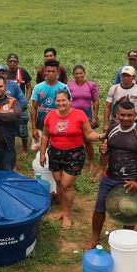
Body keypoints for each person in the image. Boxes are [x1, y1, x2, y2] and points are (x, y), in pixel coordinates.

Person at [84, 102, 137, 250]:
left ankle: (127, 240)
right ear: (117, 116)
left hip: (130, 180)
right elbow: (106, 151)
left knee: (129, 212)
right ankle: (95, 238)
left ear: (135, 116)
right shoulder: (112, 129)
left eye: (129, 115)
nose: (126, 118)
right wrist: (103, 151)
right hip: (110, 177)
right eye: (122, 115)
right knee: (99, 208)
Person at [39, 90, 104, 229]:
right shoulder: (50, 116)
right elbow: (45, 136)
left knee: (66, 184)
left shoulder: (79, 115)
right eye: (58, 100)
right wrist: (43, 152)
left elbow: (89, 134)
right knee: (58, 182)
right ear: (55, 102)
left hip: (74, 154)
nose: (61, 103)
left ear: (70, 101)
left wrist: (101, 137)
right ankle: (63, 209)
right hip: (55, 152)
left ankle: (67, 214)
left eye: (64, 100)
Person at [68, 65, 100, 172]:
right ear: (73, 75)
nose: (79, 75)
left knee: (88, 139)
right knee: (73, 138)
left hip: (87, 115)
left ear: (84, 73)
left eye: (80, 73)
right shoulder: (69, 85)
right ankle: (74, 160)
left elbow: (96, 101)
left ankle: (91, 162)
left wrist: (95, 117)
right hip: (72, 114)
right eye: (76, 73)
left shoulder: (91, 85)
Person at [30, 59, 69, 147]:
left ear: (58, 72)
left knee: (57, 148)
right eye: (48, 71)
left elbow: (68, 107)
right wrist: (34, 128)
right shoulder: (38, 87)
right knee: (40, 150)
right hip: (41, 124)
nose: (51, 74)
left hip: (59, 124)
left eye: (53, 71)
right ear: (44, 71)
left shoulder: (64, 87)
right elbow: (34, 108)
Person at [103, 65, 137, 132]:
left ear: (133, 77)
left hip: (132, 122)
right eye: (124, 75)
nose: (126, 78)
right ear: (121, 76)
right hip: (114, 121)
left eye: (128, 75)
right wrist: (106, 124)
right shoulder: (113, 88)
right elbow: (107, 106)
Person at [5, 53, 33, 153]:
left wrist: (26, 99)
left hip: (21, 105)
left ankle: (25, 149)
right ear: (7, 62)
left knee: (22, 128)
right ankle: (11, 148)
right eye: (10, 61)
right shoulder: (3, 73)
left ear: (18, 62)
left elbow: (29, 86)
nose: (12, 63)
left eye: (15, 61)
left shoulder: (23, 72)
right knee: (9, 128)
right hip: (7, 106)